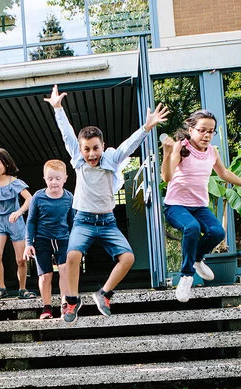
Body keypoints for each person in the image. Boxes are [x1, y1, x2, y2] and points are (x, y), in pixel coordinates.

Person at [45, 85, 170, 323]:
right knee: (72, 256)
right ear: (81, 150)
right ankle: (71, 301)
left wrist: (147, 127)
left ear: (102, 146)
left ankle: (104, 293)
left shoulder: (111, 158)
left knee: (128, 258)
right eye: (87, 149)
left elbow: (128, 146)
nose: (91, 154)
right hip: (83, 219)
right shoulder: (78, 159)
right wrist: (58, 108)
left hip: (107, 221)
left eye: (95, 148)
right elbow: (67, 135)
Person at [161, 110, 241, 302]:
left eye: (211, 131)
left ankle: (198, 258)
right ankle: (186, 276)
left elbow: (223, 173)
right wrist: (167, 153)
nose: (207, 135)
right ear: (191, 130)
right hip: (175, 206)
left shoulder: (212, 151)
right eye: (202, 130)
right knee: (192, 228)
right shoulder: (180, 147)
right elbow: (166, 177)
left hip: (199, 207)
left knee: (217, 232)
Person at [24, 159, 74, 320]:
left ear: (65, 178)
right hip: (42, 239)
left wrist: (76, 244)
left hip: (63, 239)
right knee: (45, 275)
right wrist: (28, 243)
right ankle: (46, 307)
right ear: (45, 179)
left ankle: (65, 305)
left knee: (65, 270)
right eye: (50, 178)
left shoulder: (69, 197)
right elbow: (31, 221)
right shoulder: (38, 197)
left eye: (58, 178)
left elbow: (72, 222)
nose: (54, 182)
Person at [0, 147, 37, 301]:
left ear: (6, 164)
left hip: (14, 220)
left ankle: (22, 288)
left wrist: (19, 212)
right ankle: (1, 287)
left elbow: (30, 199)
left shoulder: (13, 181)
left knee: (20, 259)